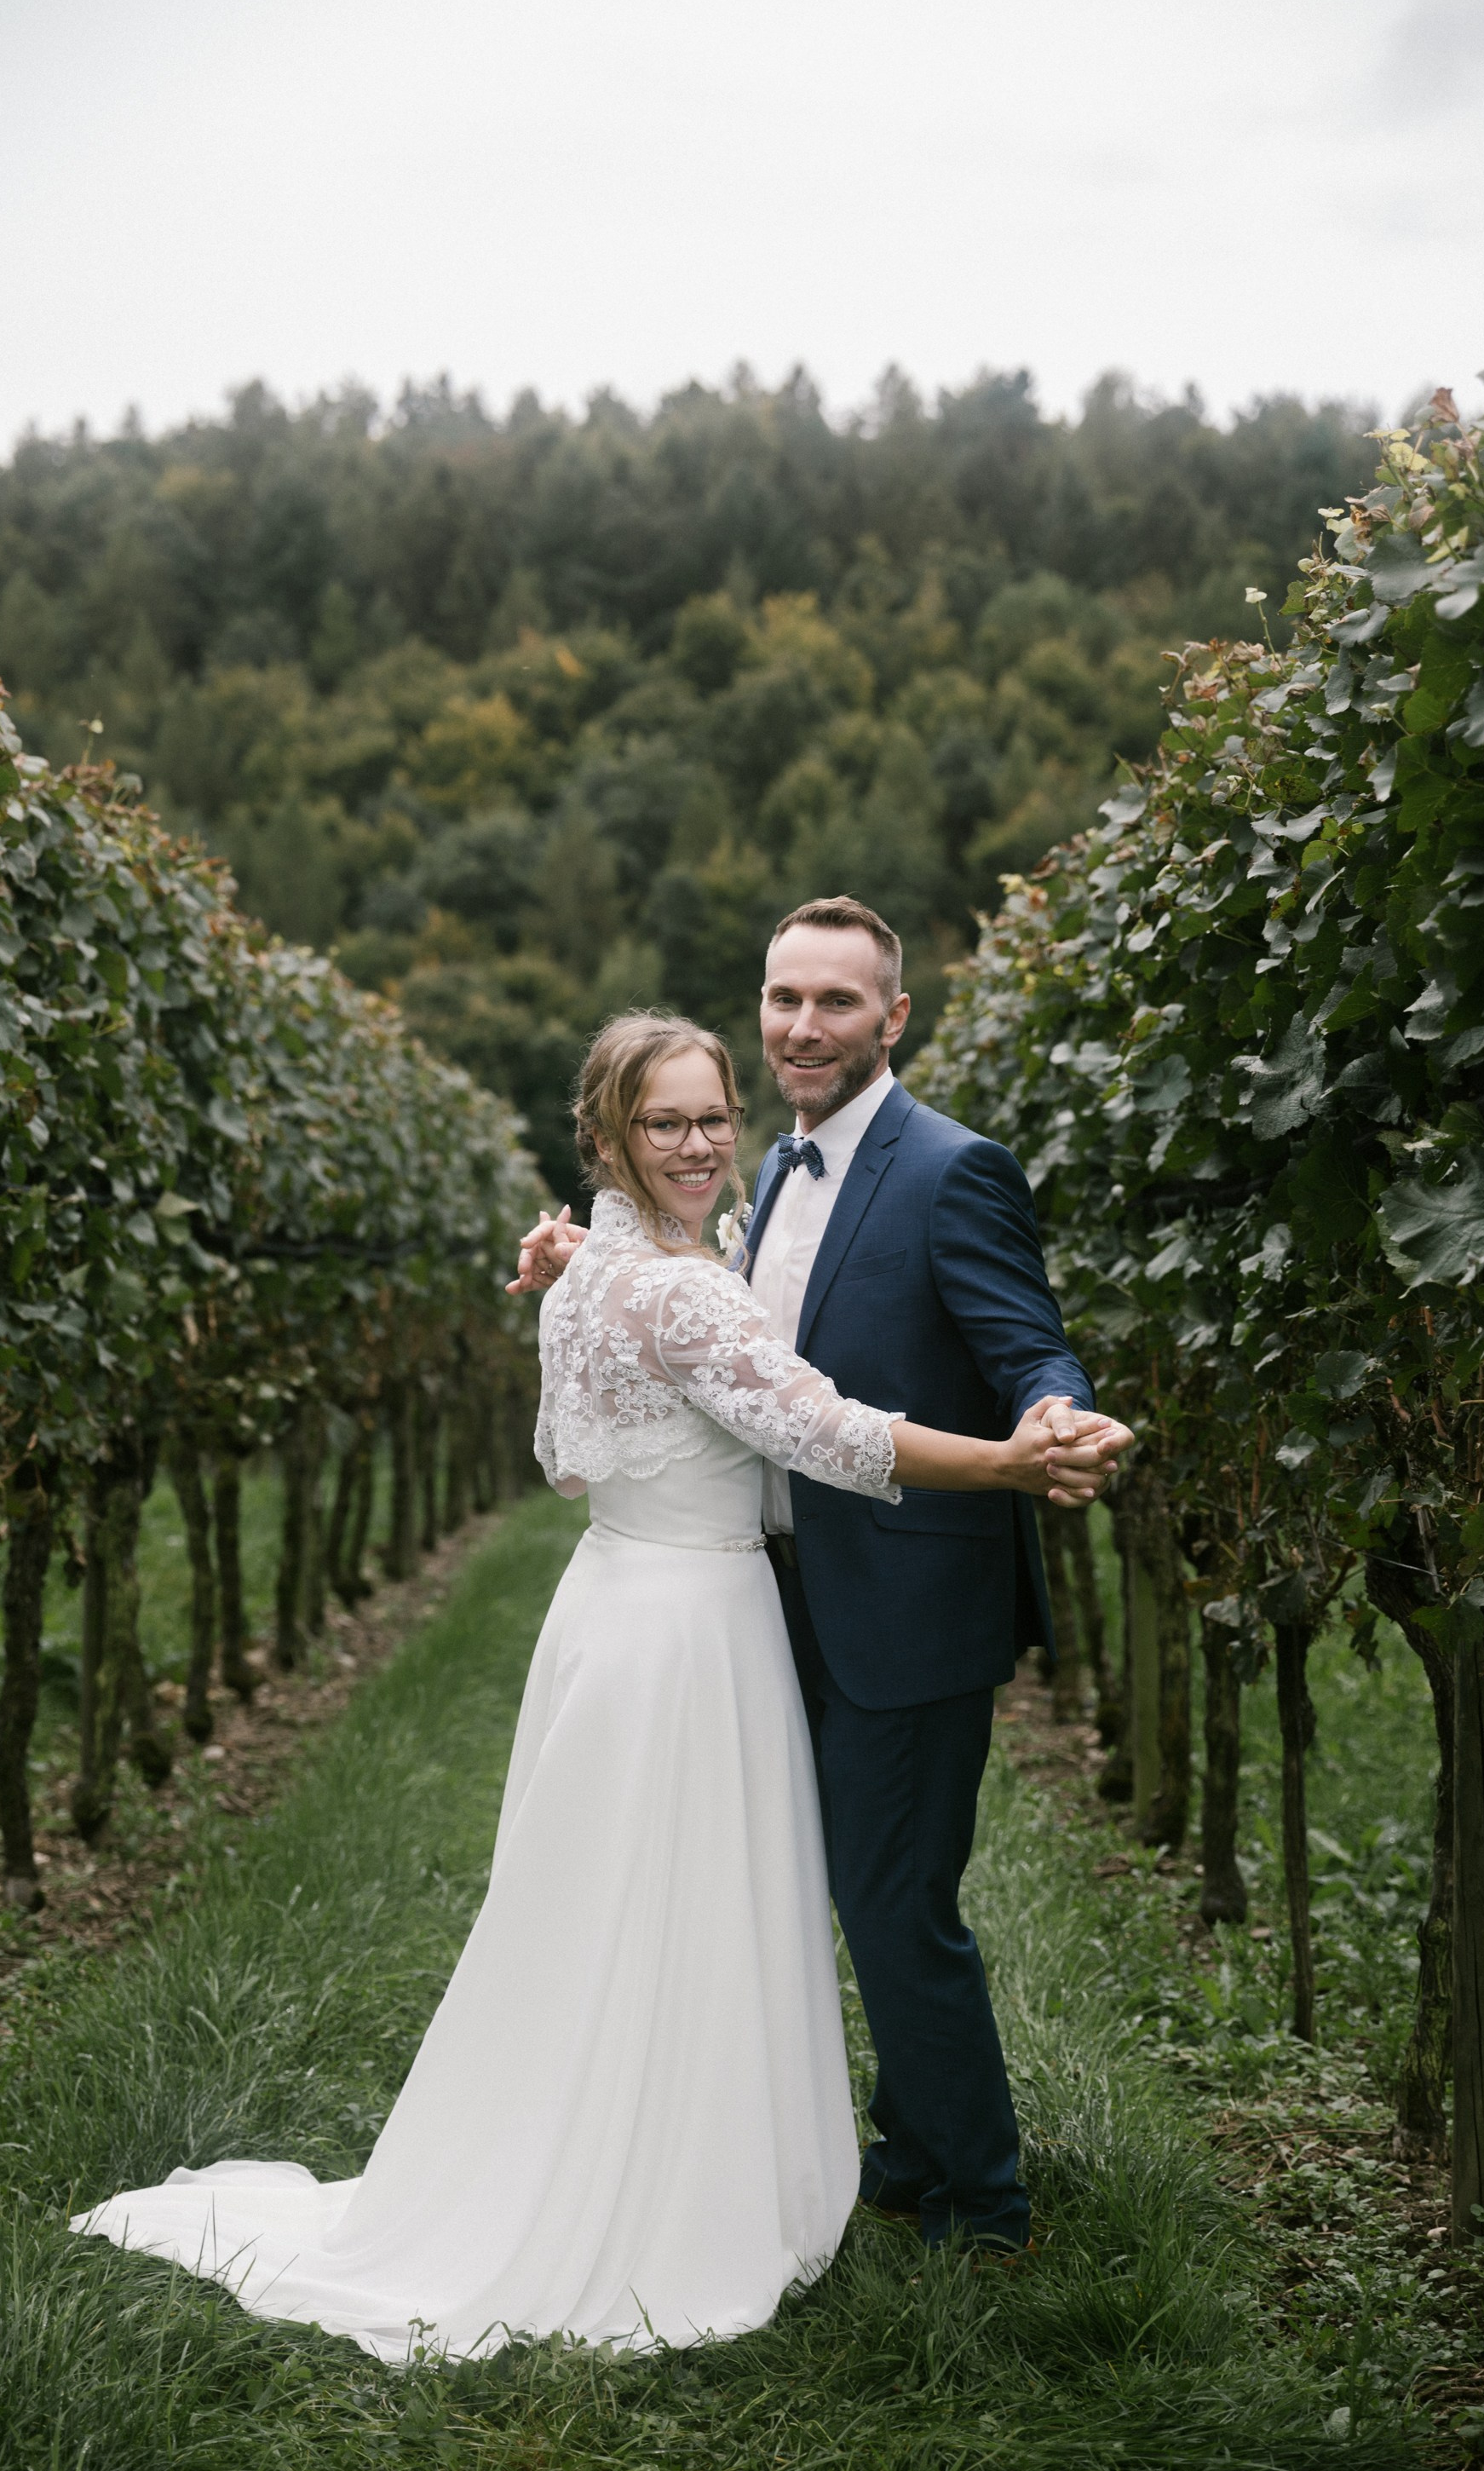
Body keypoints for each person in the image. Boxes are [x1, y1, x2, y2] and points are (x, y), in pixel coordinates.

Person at [72, 1011, 1122, 2360]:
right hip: (692, 1623)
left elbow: (592, 1439)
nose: (696, 1143)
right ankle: (677, 2187)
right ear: (609, 1138)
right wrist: (1011, 1468)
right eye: (663, 1124)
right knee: (687, 1896)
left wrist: (587, 1251)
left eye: (708, 1118)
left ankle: (644, 2137)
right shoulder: (669, 1288)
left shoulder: (614, 1269)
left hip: (625, 1603)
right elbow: (826, 1429)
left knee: (623, 1897)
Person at [513, 901, 1128, 2256]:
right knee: (834, 1888)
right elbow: (715, 1319)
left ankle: (985, 2206)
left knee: (898, 1901)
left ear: (892, 1018)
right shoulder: (768, 1175)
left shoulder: (954, 1168)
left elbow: (1031, 1343)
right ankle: (909, 2158)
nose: (803, 1025)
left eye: (837, 1002)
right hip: (767, 1590)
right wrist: (587, 1259)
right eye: (784, 998)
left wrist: (1058, 1423)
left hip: (906, 1595)